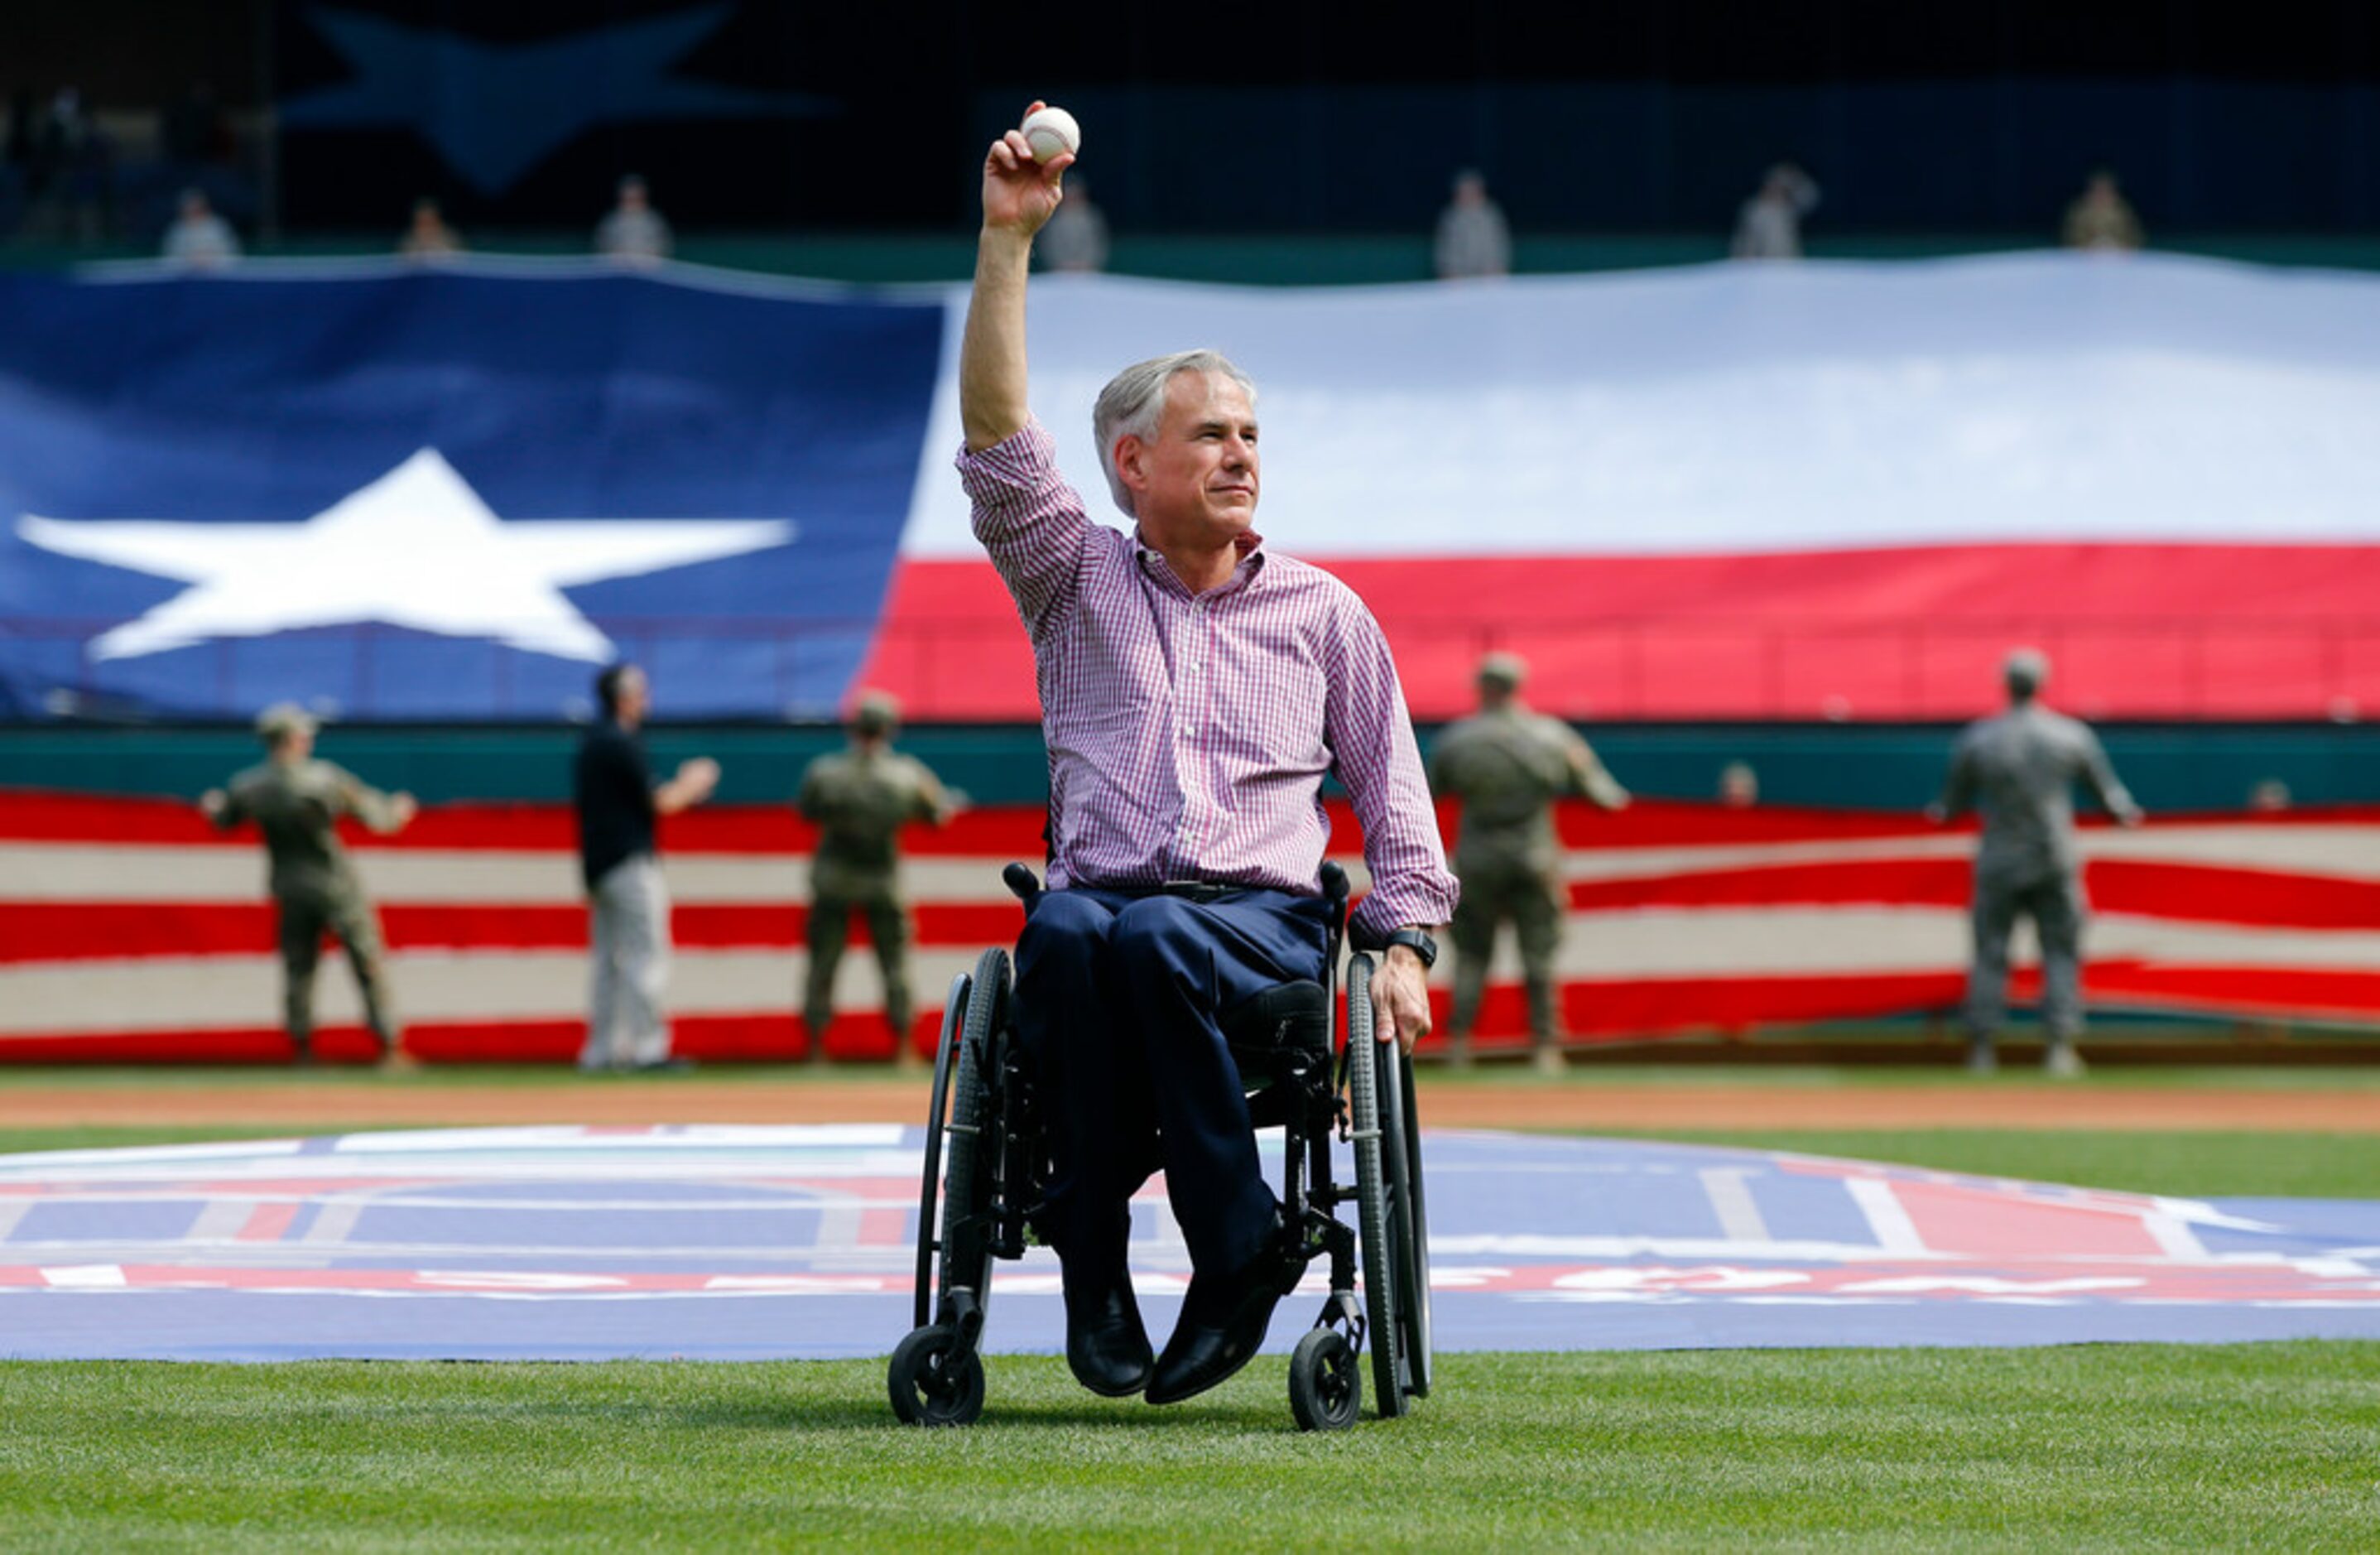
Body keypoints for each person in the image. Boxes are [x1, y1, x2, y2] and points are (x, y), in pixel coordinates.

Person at [957, 105, 1457, 1408]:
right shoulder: (1071, 577)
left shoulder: (1323, 614)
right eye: (1208, 435)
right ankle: (1096, 1253)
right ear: (1130, 464)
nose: (1240, 453)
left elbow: (1395, 799)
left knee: (1147, 939)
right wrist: (1008, 242)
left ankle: (1235, 1243)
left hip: (1259, 931)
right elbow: (1002, 442)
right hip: (1103, 913)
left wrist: (1403, 943)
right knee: (1068, 934)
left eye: (1248, 434)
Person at [1929, 649, 2143, 1077]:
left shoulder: (1979, 738)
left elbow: (1948, 807)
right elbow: (2114, 802)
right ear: (2041, 683)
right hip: (2053, 857)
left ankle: (1983, 1048)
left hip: (2000, 860)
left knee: (1990, 951)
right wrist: (2129, 817)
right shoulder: (2070, 736)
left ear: (2006, 684)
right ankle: (2059, 1047)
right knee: (2060, 952)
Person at [1430, 652, 1628, 1074]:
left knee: (1471, 958)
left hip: (1477, 861)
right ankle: (1545, 1048)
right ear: (1518, 686)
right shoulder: (1553, 737)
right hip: (1534, 858)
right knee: (1539, 957)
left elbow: (1425, 797)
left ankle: (1459, 1046)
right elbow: (1609, 800)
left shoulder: (1458, 739)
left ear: (1483, 686)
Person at [200, 704, 416, 1066]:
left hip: (290, 886)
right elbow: (376, 815)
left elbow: (223, 818)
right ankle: (389, 1044)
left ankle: (302, 1046)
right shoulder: (323, 779)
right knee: (366, 959)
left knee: (300, 967)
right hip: (335, 884)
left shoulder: (250, 785)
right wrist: (399, 810)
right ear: (292, 739)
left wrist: (212, 806)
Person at [796, 691, 959, 1066]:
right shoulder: (908, 775)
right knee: (895, 963)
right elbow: (937, 816)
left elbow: (806, 811)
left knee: (824, 962)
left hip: (833, 876)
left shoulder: (825, 772)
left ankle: (816, 1047)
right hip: (883, 879)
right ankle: (903, 1046)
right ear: (888, 728)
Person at [574, 663, 719, 1073]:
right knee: (645, 953)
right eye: (639, 691)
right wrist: (693, 783)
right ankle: (646, 1049)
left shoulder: (594, 741)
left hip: (600, 864)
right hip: (628, 863)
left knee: (608, 960)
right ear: (624, 696)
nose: (646, 698)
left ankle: (600, 1052)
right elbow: (660, 802)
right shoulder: (620, 741)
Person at [1434, 169, 1511, 281]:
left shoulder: (1491, 214)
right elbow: (1445, 251)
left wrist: (1497, 268)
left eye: (1472, 191)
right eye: (1464, 192)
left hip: (1488, 275)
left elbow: (1500, 245)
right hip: (1459, 277)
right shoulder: (1450, 218)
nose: (1468, 196)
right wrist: (1450, 272)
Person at [1732, 162, 1820, 260]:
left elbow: (1811, 198)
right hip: (1761, 263)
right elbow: (1744, 238)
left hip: (1788, 262)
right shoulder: (1754, 208)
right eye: (1773, 183)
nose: (1776, 188)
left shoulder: (1788, 208)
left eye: (1780, 185)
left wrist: (1795, 178)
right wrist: (1743, 258)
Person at [1035, 172, 1109, 273]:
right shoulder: (1053, 218)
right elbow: (1049, 245)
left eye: (1076, 195)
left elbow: (1099, 243)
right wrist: (1062, 264)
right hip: (1059, 273)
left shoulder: (1092, 217)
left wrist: (1086, 263)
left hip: (1089, 272)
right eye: (1070, 195)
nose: (1073, 199)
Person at [594, 174, 671, 265]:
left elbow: (664, 248)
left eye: (636, 199)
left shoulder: (655, 222)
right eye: (628, 199)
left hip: (647, 271)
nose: (632, 204)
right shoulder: (610, 222)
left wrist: (650, 257)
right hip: (619, 271)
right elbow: (602, 249)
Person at [2063, 168, 2143, 252]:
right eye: (2098, 190)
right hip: (2085, 258)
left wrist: (2120, 246)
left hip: (2119, 257)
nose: (2101, 195)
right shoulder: (2078, 211)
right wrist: (2088, 246)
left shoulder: (2124, 211)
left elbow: (2135, 236)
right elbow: (2069, 237)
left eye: (2106, 190)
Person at [162, 186, 238, 267]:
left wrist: (210, 259)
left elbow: (232, 254)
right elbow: (170, 258)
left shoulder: (218, 227)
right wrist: (189, 260)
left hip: (217, 277)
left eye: (197, 209)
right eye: (189, 209)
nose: (193, 212)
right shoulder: (177, 230)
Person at [398, 197, 464, 261]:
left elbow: (460, 263)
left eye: (430, 223)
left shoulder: (452, 240)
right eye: (422, 224)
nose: (427, 229)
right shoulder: (407, 243)